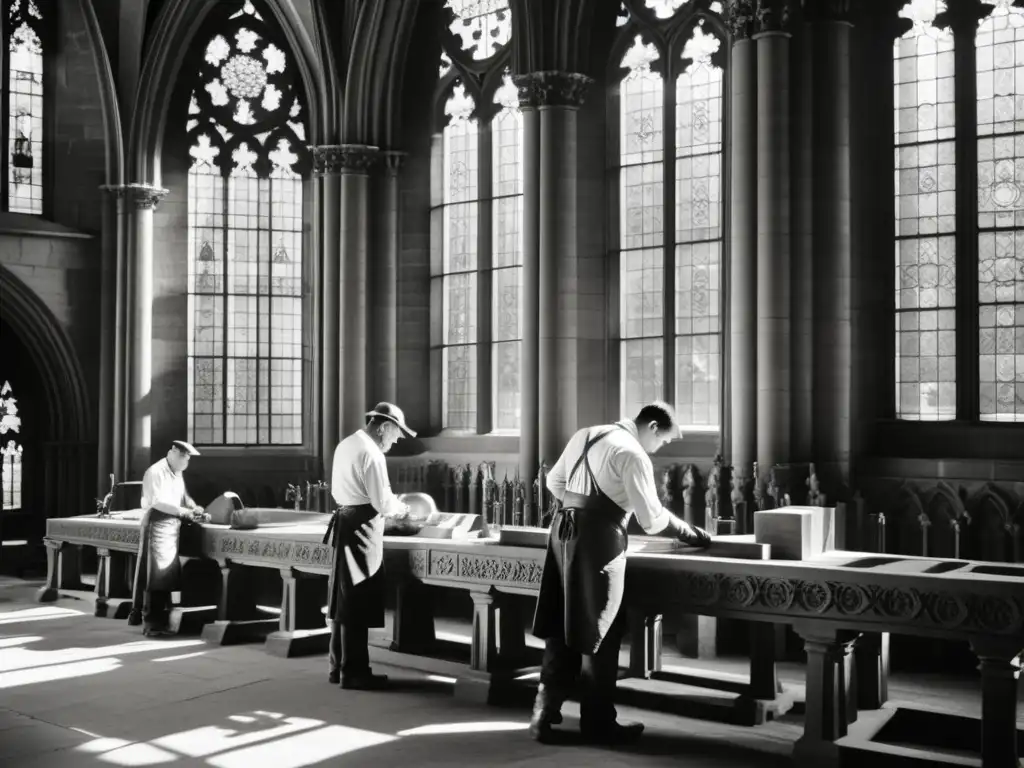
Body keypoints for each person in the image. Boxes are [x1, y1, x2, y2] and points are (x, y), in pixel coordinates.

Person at [529, 402, 712, 745]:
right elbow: (652, 519)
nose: (660, 448)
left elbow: (555, 482)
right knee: (602, 628)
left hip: (562, 533)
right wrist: (692, 533)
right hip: (598, 540)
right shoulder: (632, 453)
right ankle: (598, 724)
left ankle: (542, 717)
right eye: (664, 441)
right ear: (653, 427)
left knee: (562, 623)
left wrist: (579, 508)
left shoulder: (586, 434)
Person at [325, 402, 415, 690]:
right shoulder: (372, 453)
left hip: (345, 520)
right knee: (357, 601)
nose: (397, 439)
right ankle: (355, 672)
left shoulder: (347, 443)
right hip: (362, 526)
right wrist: (402, 510)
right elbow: (381, 502)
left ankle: (337, 667)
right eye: (396, 433)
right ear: (384, 427)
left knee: (343, 599)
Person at [128, 441, 208, 636]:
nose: (185, 462)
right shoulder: (155, 471)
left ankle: (148, 617)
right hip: (157, 525)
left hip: (172, 526)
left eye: (187, 459)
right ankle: (152, 624)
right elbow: (157, 502)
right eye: (183, 457)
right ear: (172, 452)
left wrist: (194, 506)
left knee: (162, 576)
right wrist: (183, 511)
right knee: (156, 576)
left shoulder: (176, 472)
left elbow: (182, 496)